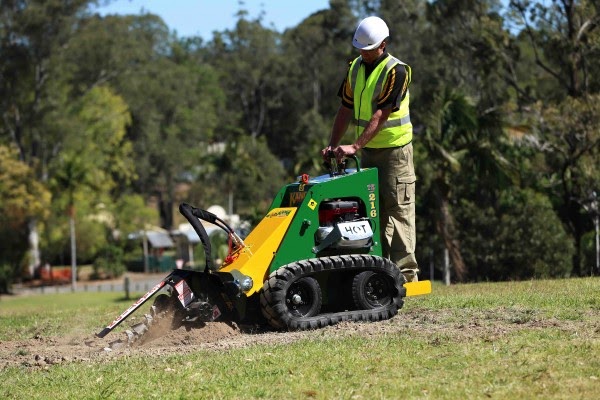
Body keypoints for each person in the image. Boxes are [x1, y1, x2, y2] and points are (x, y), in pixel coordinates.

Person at [321, 16, 419, 282]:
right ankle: (383, 274)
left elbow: (381, 114)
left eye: (369, 48)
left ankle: (406, 276)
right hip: (368, 151)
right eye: (360, 48)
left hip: (395, 152)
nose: (363, 52)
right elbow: (345, 109)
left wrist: (354, 145)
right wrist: (333, 145)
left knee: (398, 211)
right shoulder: (355, 68)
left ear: (383, 44)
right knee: (372, 211)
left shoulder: (397, 71)